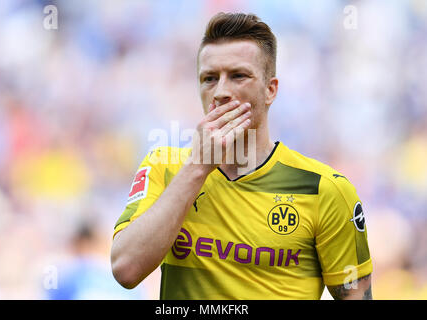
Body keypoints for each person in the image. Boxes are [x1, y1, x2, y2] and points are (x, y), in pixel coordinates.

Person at [111, 12, 373, 300]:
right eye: (210, 78)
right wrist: (197, 168)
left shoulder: (325, 189)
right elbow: (126, 270)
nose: (221, 91)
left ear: (270, 90)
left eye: (238, 76)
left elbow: (356, 295)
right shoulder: (165, 166)